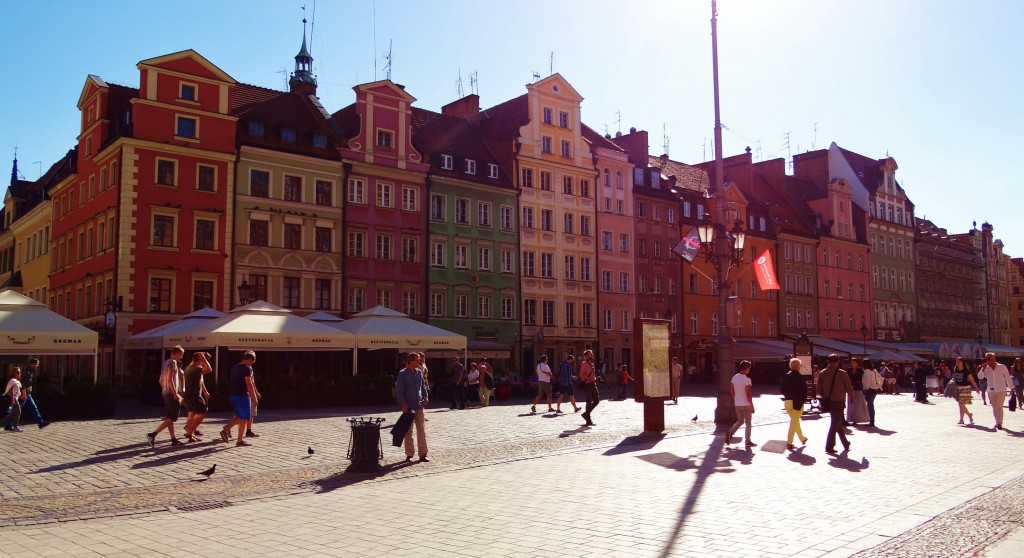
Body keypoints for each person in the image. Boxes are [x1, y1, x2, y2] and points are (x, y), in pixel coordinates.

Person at [146, 346, 185, 447]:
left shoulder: (165, 363)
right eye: (181, 354)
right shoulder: (173, 363)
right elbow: (169, 379)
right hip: (171, 394)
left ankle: (173, 439)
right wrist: (175, 393)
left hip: (165, 393)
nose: (181, 356)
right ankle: (152, 434)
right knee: (173, 417)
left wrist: (165, 389)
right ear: (175, 353)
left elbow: (160, 380)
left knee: (169, 417)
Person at [395, 352, 429, 462]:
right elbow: (400, 391)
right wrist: (403, 403)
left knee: (421, 431)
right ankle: (409, 454)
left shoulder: (419, 372)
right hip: (408, 407)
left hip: (419, 405)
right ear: (411, 361)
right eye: (417, 360)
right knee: (408, 432)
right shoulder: (402, 374)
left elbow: (422, 386)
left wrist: (426, 395)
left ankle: (423, 454)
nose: (419, 361)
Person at [817, 354, 855, 455]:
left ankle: (845, 443)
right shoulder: (842, 373)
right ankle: (829, 446)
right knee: (835, 424)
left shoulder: (822, 373)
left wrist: (825, 396)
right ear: (837, 361)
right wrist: (852, 398)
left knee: (837, 422)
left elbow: (818, 389)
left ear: (828, 361)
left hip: (828, 401)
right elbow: (849, 387)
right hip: (839, 401)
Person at [220, 350, 258, 447]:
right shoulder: (246, 369)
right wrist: (254, 397)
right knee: (245, 417)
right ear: (249, 359)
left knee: (239, 416)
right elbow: (249, 384)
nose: (251, 364)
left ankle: (226, 430)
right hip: (242, 395)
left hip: (233, 395)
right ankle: (239, 440)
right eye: (251, 362)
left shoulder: (234, 367)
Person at [4, 358, 49, 430]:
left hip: (27, 394)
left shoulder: (30, 372)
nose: (37, 366)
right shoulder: (27, 373)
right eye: (36, 364)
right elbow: (23, 385)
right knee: (16, 410)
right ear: (32, 364)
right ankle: (8, 425)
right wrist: (24, 395)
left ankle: (40, 423)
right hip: (24, 395)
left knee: (33, 408)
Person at [181, 351, 213, 442]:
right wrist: (203, 359)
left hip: (189, 396)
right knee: (203, 412)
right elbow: (209, 369)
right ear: (199, 359)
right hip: (194, 396)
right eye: (204, 360)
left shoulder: (188, 367)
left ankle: (191, 434)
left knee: (192, 414)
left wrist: (205, 390)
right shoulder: (196, 368)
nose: (205, 362)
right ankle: (189, 432)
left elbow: (200, 381)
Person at [979, 352, 1013, 430]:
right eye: (986, 358)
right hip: (991, 391)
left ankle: (999, 423)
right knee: (994, 407)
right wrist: (983, 369)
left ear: (994, 359)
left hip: (1001, 390)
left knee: (999, 407)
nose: (987, 360)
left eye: (989, 358)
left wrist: (1012, 388)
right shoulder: (985, 368)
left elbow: (1007, 377)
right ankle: (997, 422)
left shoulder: (1002, 367)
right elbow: (980, 377)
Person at [781, 358, 808, 450]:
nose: (800, 367)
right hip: (797, 402)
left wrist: (787, 395)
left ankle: (802, 438)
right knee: (794, 422)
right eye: (800, 365)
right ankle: (789, 443)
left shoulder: (786, 376)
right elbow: (804, 391)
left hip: (788, 401)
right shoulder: (801, 377)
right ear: (797, 366)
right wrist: (804, 400)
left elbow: (782, 390)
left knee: (794, 421)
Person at [726, 360, 755, 447]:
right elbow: (748, 394)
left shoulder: (735, 377)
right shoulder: (747, 379)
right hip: (745, 404)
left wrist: (736, 398)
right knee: (748, 423)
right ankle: (748, 441)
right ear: (746, 369)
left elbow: (731, 389)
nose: (749, 369)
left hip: (737, 403)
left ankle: (730, 432)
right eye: (749, 368)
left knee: (740, 421)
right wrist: (751, 405)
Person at [951, 356, 979, 425]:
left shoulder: (966, 370)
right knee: (961, 405)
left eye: (959, 361)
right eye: (956, 361)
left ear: (962, 362)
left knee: (961, 405)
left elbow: (971, 379)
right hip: (958, 388)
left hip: (965, 388)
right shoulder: (955, 369)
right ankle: (969, 415)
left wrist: (976, 388)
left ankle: (961, 419)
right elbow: (954, 378)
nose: (957, 363)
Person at [846, 358, 870, 425]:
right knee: (851, 405)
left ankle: (857, 418)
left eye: (854, 363)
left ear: (857, 364)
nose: (852, 364)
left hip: (858, 389)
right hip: (851, 389)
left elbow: (863, 379)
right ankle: (852, 418)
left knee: (858, 405)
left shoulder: (860, 371)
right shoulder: (848, 370)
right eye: (851, 363)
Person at [579, 350, 600, 426]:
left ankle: (586, 414)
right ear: (586, 356)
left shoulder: (591, 364)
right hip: (587, 384)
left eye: (592, 354)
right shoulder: (584, 364)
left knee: (597, 400)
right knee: (588, 402)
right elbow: (581, 374)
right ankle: (588, 420)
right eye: (590, 354)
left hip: (592, 384)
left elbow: (592, 374)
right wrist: (591, 379)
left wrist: (595, 380)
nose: (592, 355)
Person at [861, 359, 884, 427]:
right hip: (874, 390)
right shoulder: (874, 370)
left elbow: (867, 380)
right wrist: (879, 386)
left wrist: (866, 388)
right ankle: (871, 421)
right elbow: (881, 378)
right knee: (871, 405)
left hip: (869, 390)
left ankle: (871, 421)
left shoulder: (867, 371)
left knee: (870, 406)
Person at [2, 367, 26, 432]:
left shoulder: (17, 381)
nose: (19, 373)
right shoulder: (12, 380)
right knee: (18, 412)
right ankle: (15, 426)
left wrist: (21, 397)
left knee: (11, 413)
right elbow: (11, 390)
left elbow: (17, 391)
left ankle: (2, 420)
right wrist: (13, 400)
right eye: (17, 372)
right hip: (13, 400)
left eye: (20, 372)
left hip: (14, 399)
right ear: (13, 373)